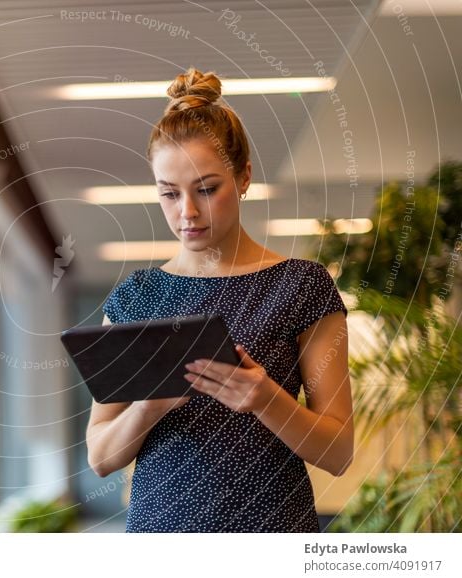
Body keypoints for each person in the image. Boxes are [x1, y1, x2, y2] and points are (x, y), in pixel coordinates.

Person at [85, 67, 354, 533]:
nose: (186, 213)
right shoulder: (134, 299)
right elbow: (101, 457)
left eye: (207, 189)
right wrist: (149, 406)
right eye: (169, 194)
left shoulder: (302, 287)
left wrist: (265, 398)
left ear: (244, 177)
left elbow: (339, 452)